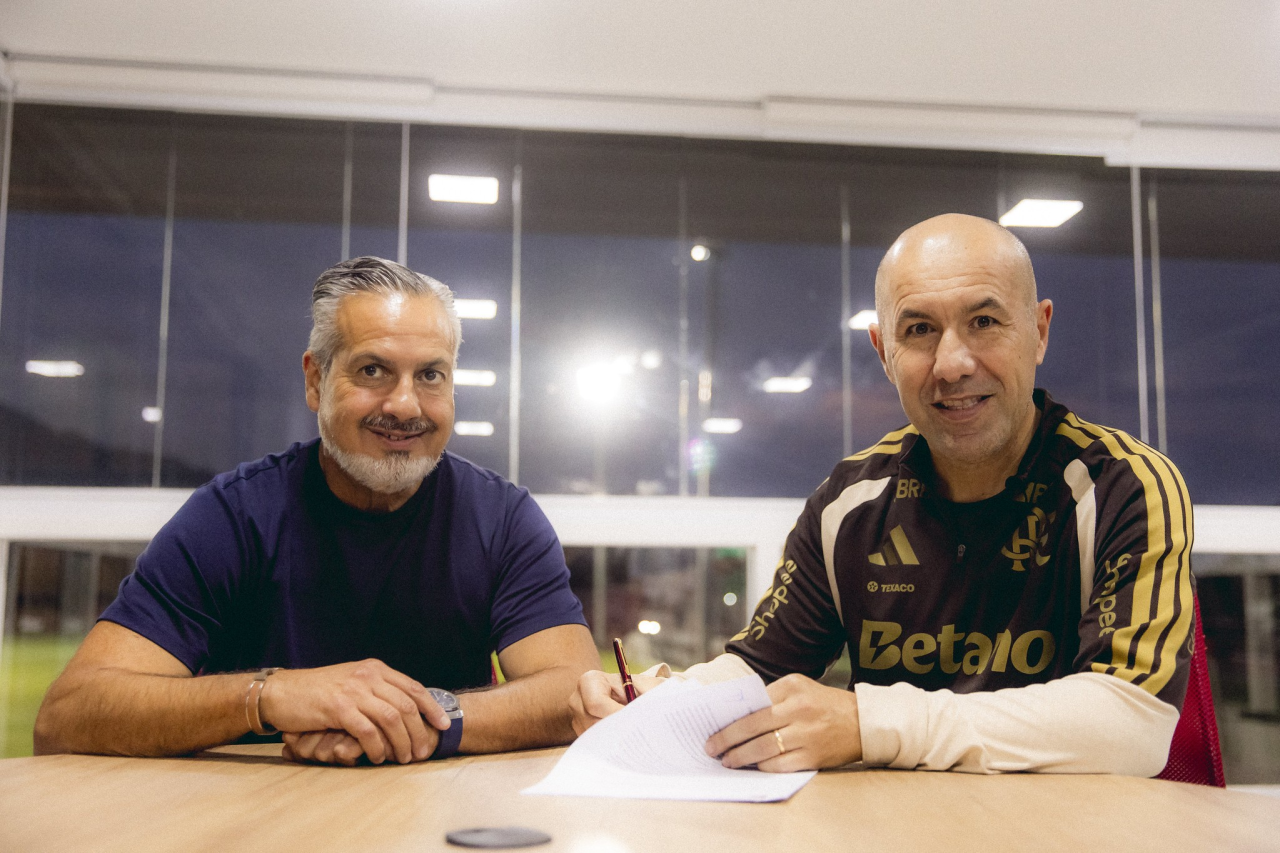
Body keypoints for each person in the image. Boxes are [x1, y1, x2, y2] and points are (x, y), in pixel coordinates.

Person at [571, 213, 1193, 776]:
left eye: (984, 321)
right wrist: (657, 698)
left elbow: (1132, 726)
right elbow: (758, 670)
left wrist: (870, 724)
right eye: (919, 330)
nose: (952, 363)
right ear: (884, 353)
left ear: (1038, 331)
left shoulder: (1125, 485)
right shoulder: (848, 503)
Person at [36, 257, 599, 766]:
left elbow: (574, 687)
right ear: (315, 379)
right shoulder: (232, 515)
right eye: (373, 370)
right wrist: (275, 694)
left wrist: (426, 719)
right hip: (253, 820)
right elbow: (69, 714)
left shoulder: (502, 518)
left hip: (442, 818)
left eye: (430, 374)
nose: (405, 404)